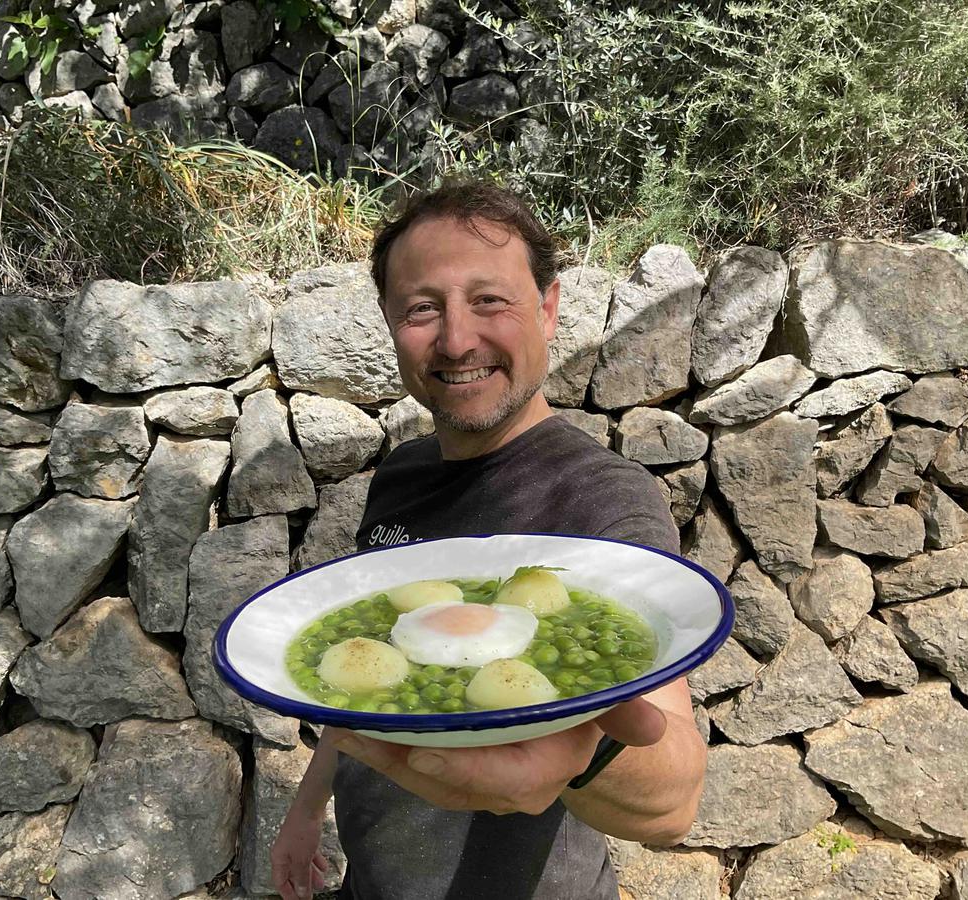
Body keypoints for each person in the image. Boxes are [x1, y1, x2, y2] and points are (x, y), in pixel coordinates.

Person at [270, 181, 708, 900]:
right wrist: (307, 807)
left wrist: (583, 756)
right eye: (421, 308)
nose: (456, 340)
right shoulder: (402, 474)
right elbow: (367, 672)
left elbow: (673, 802)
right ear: (390, 325)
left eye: (489, 300)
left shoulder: (603, 498)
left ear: (548, 308)